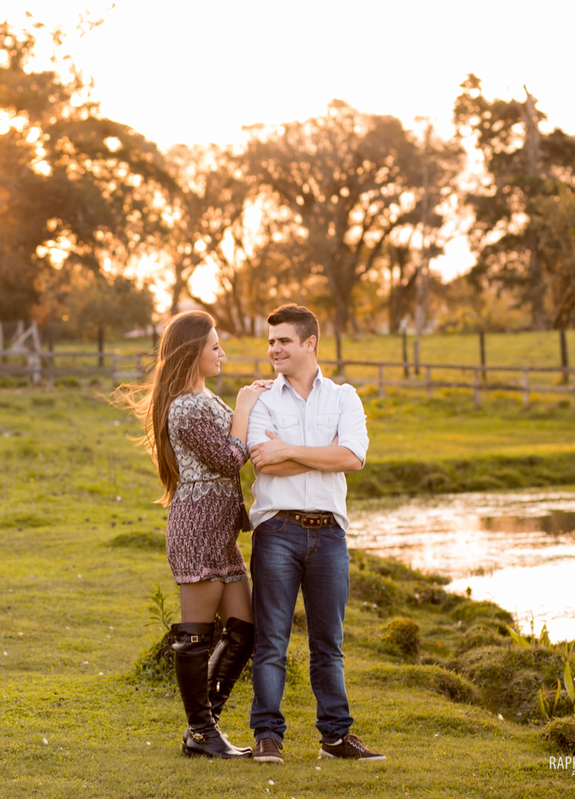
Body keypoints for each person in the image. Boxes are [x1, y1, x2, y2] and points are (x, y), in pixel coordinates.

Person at [120, 310, 267, 758]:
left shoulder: (203, 398)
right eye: (215, 346)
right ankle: (201, 732)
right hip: (198, 529)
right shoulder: (184, 406)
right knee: (197, 635)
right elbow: (228, 458)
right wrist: (243, 407)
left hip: (221, 535)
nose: (222, 353)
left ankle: (205, 725)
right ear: (193, 353)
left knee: (245, 628)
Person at [244, 303, 386, 764]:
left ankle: (335, 738)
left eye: (283, 340)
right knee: (271, 640)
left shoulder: (344, 397)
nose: (274, 349)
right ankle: (267, 736)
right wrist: (318, 452)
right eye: (270, 342)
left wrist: (292, 450)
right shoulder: (263, 399)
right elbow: (264, 459)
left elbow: (353, 458)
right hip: (277, 530)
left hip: (329, 535)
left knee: (330, 643)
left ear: (310, 343)